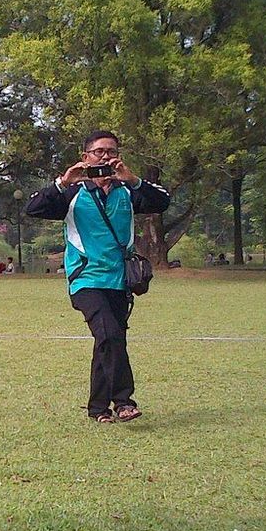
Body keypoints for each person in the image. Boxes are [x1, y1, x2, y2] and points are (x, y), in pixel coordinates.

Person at [26, 129, 170, 423]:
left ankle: (97, 408)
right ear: (85, 157)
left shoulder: (128, 191)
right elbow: (33, 207)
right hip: (85, 279)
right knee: (108, 334)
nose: (106, 157)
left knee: (109, 340)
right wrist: (64, 180)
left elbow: (163, 201)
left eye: (112, 152)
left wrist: (132, 179)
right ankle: (124, 401)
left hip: (120, 281)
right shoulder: (72, 193)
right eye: (99, 152)